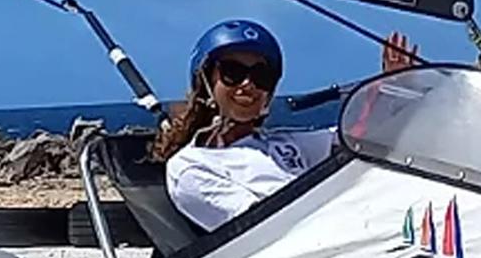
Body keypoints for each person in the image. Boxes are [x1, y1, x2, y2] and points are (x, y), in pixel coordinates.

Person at [153, 19, 417, 233]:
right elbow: (257, 229)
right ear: (206, 82)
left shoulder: (284, 144)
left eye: (261, 76)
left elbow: (358, 140)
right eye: (233, 72)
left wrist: (392, 88)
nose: (248, 85)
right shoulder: (190, 166)